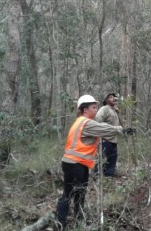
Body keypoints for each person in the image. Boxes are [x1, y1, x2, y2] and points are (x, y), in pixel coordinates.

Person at [54, 94, 134, 231]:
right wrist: (121, 130)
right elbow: (104, 129)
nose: (96, 109)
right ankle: (60, 225)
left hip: (77, 164)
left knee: (79, 194)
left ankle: (78, 222)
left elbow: (101, 125)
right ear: (85, 109)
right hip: (75, 164)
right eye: (93, 107)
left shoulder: (80, 121)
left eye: (96, 106)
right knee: (69, 195)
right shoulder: (86, 123)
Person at [94, 93, 122, 177]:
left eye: (114, 97)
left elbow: (117, 126)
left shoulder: (115, 111)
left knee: (111, 162)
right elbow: (98, 121)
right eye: (110, 97)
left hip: (114, 140)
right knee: (101, 161)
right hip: (105, 140)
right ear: (106, 100)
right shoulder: (104, 109)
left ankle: (109, 179)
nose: (113, 98)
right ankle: (97, 179)